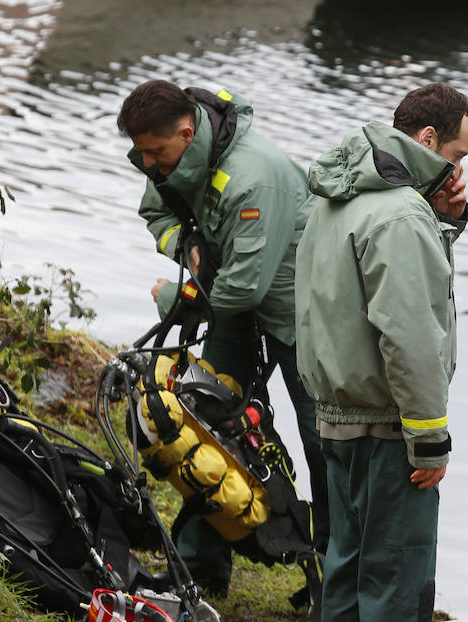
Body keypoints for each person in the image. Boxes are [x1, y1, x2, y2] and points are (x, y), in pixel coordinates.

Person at [294, 83, 468, 622]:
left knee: (345, 577)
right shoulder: (400, 214)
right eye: (457, 156)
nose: (459, 171)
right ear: (426, 142)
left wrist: (444, 220)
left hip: (335, 417)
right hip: (389, 429)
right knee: (397, 589)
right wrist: (430, 440)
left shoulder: (336, 196)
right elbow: (410, 331)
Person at [117, 80, 328, 596]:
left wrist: (177, 297)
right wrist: (188, 246)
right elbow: (157, 214)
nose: (150, 164)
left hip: (300, 316)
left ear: (187, 133)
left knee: (324, 446)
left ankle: (334, 576)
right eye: (142, 154)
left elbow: (240, 289)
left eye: (156, 153)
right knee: (203, 421)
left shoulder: (254, 180)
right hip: (235, 301)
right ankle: (202, 570)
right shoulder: (166, 157)